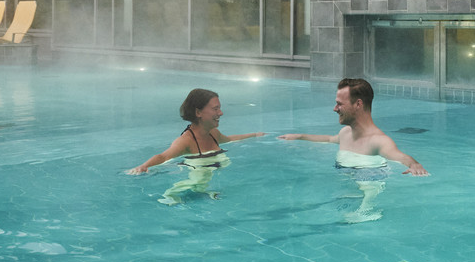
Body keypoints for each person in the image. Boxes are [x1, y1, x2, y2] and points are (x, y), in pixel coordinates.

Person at [278, 78, 428, 222]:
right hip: (346, 191)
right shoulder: (345, 134)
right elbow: (329, 139)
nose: (334, 109)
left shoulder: (379, 141)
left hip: (368, 191)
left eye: (339, 104)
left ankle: (367, 210)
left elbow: (399, 156)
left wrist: (414, 165)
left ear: (358, 104)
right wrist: (299, 136)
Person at [127, 88, 264, 205]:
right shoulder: (186, 141)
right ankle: (169, 198)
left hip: (213, 176)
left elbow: (229, 139)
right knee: (195, 182)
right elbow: (164, 156)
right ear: (198, 113)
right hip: (197, 178)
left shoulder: (213, 133)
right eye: (215, 109)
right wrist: (143, 166)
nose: (220, 113)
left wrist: (255, 135)